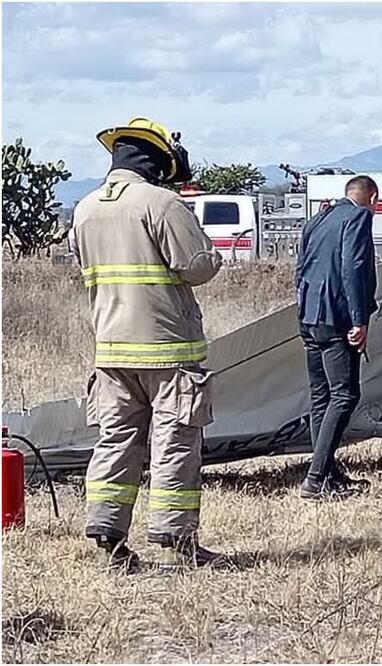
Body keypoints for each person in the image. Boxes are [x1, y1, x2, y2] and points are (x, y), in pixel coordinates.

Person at [71, 116, 223, 572]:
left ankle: (107, 537)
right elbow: (197, 266)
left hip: (112, 349)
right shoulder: (160, 203)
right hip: (168, 350)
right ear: (158, 161)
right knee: (175, 441)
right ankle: (178, 544)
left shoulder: (85, 208)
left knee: (115, 441)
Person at [295, 175, 380, 500]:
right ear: (372, 198)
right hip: (336, 317)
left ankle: (327, 472)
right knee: (344, 395)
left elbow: (300, 267)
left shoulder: (319, 218)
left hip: (310, 315)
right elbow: (353, 267)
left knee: (321, 396)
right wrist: (360, 320)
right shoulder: (358, 217)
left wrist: (304, 307)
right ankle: (317, 478)